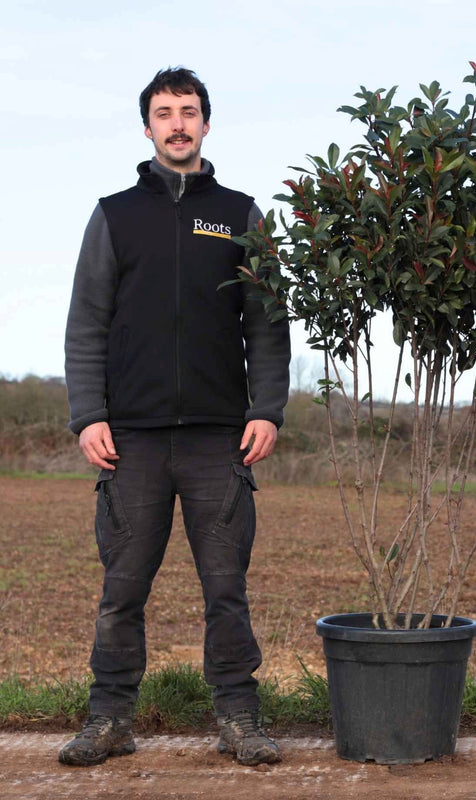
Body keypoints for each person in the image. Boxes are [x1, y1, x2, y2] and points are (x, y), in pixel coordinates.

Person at [59, 67, 290, 768]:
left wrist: (268, 409)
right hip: (130, 440)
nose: (178, 124)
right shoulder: (114, 215)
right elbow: (86, 325)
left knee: (226, 588)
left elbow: (267, 325)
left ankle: (239, 718)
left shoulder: (243, 214)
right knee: (122, 589)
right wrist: (87, 416)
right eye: (165, 113)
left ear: (207, 123)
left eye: (189, 111)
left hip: (221, 438)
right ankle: (109, 719)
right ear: (149, 126)